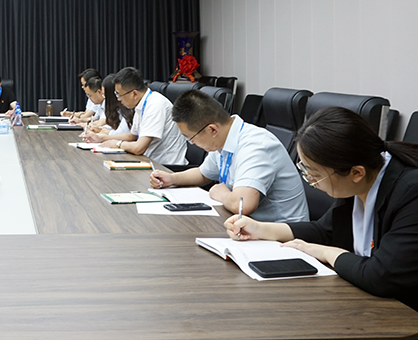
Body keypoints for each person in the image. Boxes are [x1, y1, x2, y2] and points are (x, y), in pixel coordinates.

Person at [225, 107, 418, 310]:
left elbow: (380, 276)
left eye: (315, 174)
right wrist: (260, 229)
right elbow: (324, 231)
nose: (311, 181)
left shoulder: (411, 193)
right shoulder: (360, 181)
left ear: (356, 173)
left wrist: (324, 253)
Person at [150, 89, 308, 222]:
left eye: (191, 138)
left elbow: (243, 204)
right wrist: (172, 179)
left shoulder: (255, 146)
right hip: (249, 225)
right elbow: (203, 174)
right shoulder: (223, 139)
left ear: (212, 130)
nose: (192, 143)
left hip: (282, 236)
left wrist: (221, 193)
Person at [84, 67, 186, 166]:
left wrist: (118, 144)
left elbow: (139, 148)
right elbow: (132, 136)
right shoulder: (142, 103)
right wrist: (102, 138)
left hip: (166, 167)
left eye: (119, 95)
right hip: (149, 161)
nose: (118, 99)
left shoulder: (155, 105)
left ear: (134, 94)